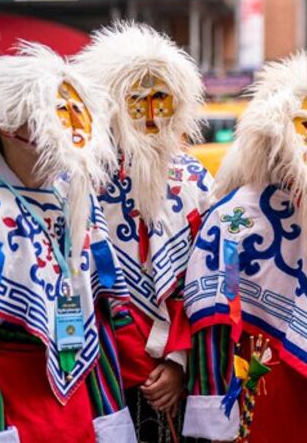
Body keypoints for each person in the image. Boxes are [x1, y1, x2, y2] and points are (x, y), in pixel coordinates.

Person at [0, 44, 135, 442]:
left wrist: (111, 422)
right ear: (8, 126)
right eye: (58, 114)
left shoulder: (78, 206)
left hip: (81, 416)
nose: (74, 129)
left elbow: (100, 322)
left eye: (78, 113)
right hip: (9, 416)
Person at [181, 51, 307, 442]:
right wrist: (213, 421)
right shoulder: (234, 215)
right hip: (259, 382)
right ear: (277, 130)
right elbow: (212, 322)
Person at [74, 22, 214, 441]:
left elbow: (211, 283)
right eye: (137, 101)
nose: (152, 114)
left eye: (161, 100)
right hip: (95, 372)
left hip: (178, 374)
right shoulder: (79, 181)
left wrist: (177, 360)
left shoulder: (195, 181)